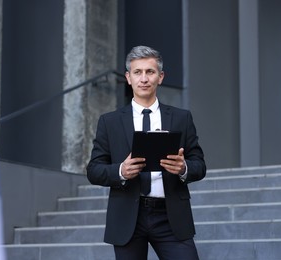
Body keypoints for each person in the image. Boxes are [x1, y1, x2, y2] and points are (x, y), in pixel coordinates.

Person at [86, 45, 206, 260]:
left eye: (150, 72)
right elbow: (94, 170)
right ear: (128, 78)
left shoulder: (181, 118)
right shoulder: (109, 122)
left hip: (171, 216)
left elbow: (199, 165)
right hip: (128, 216)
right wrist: (121, 171)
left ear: (160, 77)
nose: (144, 78)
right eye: (137, 72)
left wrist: (183, 168)